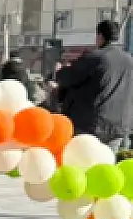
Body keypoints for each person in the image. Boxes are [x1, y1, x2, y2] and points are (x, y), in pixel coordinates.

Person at [55, 21, 133, 150]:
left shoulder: (95, 58)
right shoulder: (129, 60)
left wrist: (59, 71)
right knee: (108, 163)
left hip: (91, 124)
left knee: (84, 162)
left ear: (100, 36)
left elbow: (68, 78)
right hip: (119, 125)